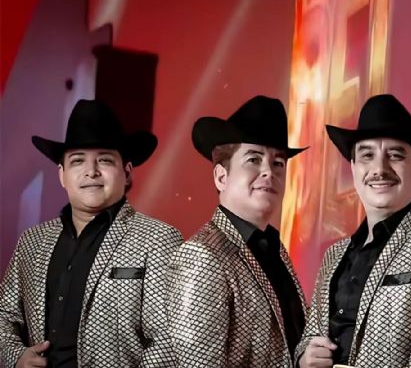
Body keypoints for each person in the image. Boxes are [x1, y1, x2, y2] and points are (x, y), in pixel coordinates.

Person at [0, 99, 182, 367]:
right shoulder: (33, 240)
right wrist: (15, 356)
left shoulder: (158, 239)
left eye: (105, 160)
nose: (91, 171)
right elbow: (4, 315)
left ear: (127, 173)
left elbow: (170, 339)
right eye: (77, 161)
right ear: (62, 174)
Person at [297, 94, 411, 367]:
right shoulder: (334, 255)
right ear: (354, 168)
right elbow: (311, 334)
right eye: (367, 155)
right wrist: (304, 357)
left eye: (395, 155)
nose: (379, 169)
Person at [167, 95, 307, 367]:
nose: (269, 172)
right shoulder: (201, 256)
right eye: (254, 159)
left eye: (278, 163)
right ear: (221, 177)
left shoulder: (275, 249)